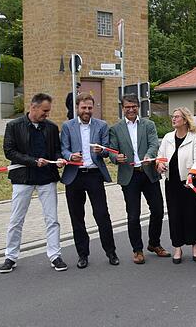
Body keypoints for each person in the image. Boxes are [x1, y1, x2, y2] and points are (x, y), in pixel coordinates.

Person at [0, 93, 67, 273]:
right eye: (45, 111)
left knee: (52, 220)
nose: (47, 114)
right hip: (23, 178)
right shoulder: (13, 126)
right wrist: (33, 161)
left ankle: (55, 255)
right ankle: (10, 257)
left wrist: (59, 159)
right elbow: (9, 151)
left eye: (48, 111)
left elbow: (56, 150)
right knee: (16, 219)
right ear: (33, 107)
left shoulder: (51, 128)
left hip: (47, 179)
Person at [109, 93, 170, 264]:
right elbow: (112, 151)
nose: (130, 109)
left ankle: (154, 243)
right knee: (133, 215)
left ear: (138, 107)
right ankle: (137, 250)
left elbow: (154, 144)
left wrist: (149, 156)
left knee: (158, 210)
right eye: (127, 107)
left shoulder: (148, 125)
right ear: (123, 108)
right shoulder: (116, 128)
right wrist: (116, 158)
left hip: (149, 172)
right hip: (130, 176)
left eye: (133, 106)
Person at [60, 93, 118, 269]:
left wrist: (101, 151)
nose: (87, 111)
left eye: (90, 108)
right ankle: (82, 254)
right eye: (84, 108)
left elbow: (107, 150)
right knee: (77, 218)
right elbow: (63, 148)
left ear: (94, 108)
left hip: (94, 175)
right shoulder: (67, 126)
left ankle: (111, 252)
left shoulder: (101, 125)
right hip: (74, 175)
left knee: (102, 215)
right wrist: (70, 156)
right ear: (77, 108)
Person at [157, 107, 196, 264]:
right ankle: (177, 247)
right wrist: (160, 165)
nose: (173, 119)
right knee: (175, 215)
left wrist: (192, 174)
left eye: (177, 117)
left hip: (190, 183)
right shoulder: (168, 138)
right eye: (173, 117)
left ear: (185, 120)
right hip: (172, 183)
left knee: (191, 214)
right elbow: (160, 156)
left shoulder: (194, 138)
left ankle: (195, 246)